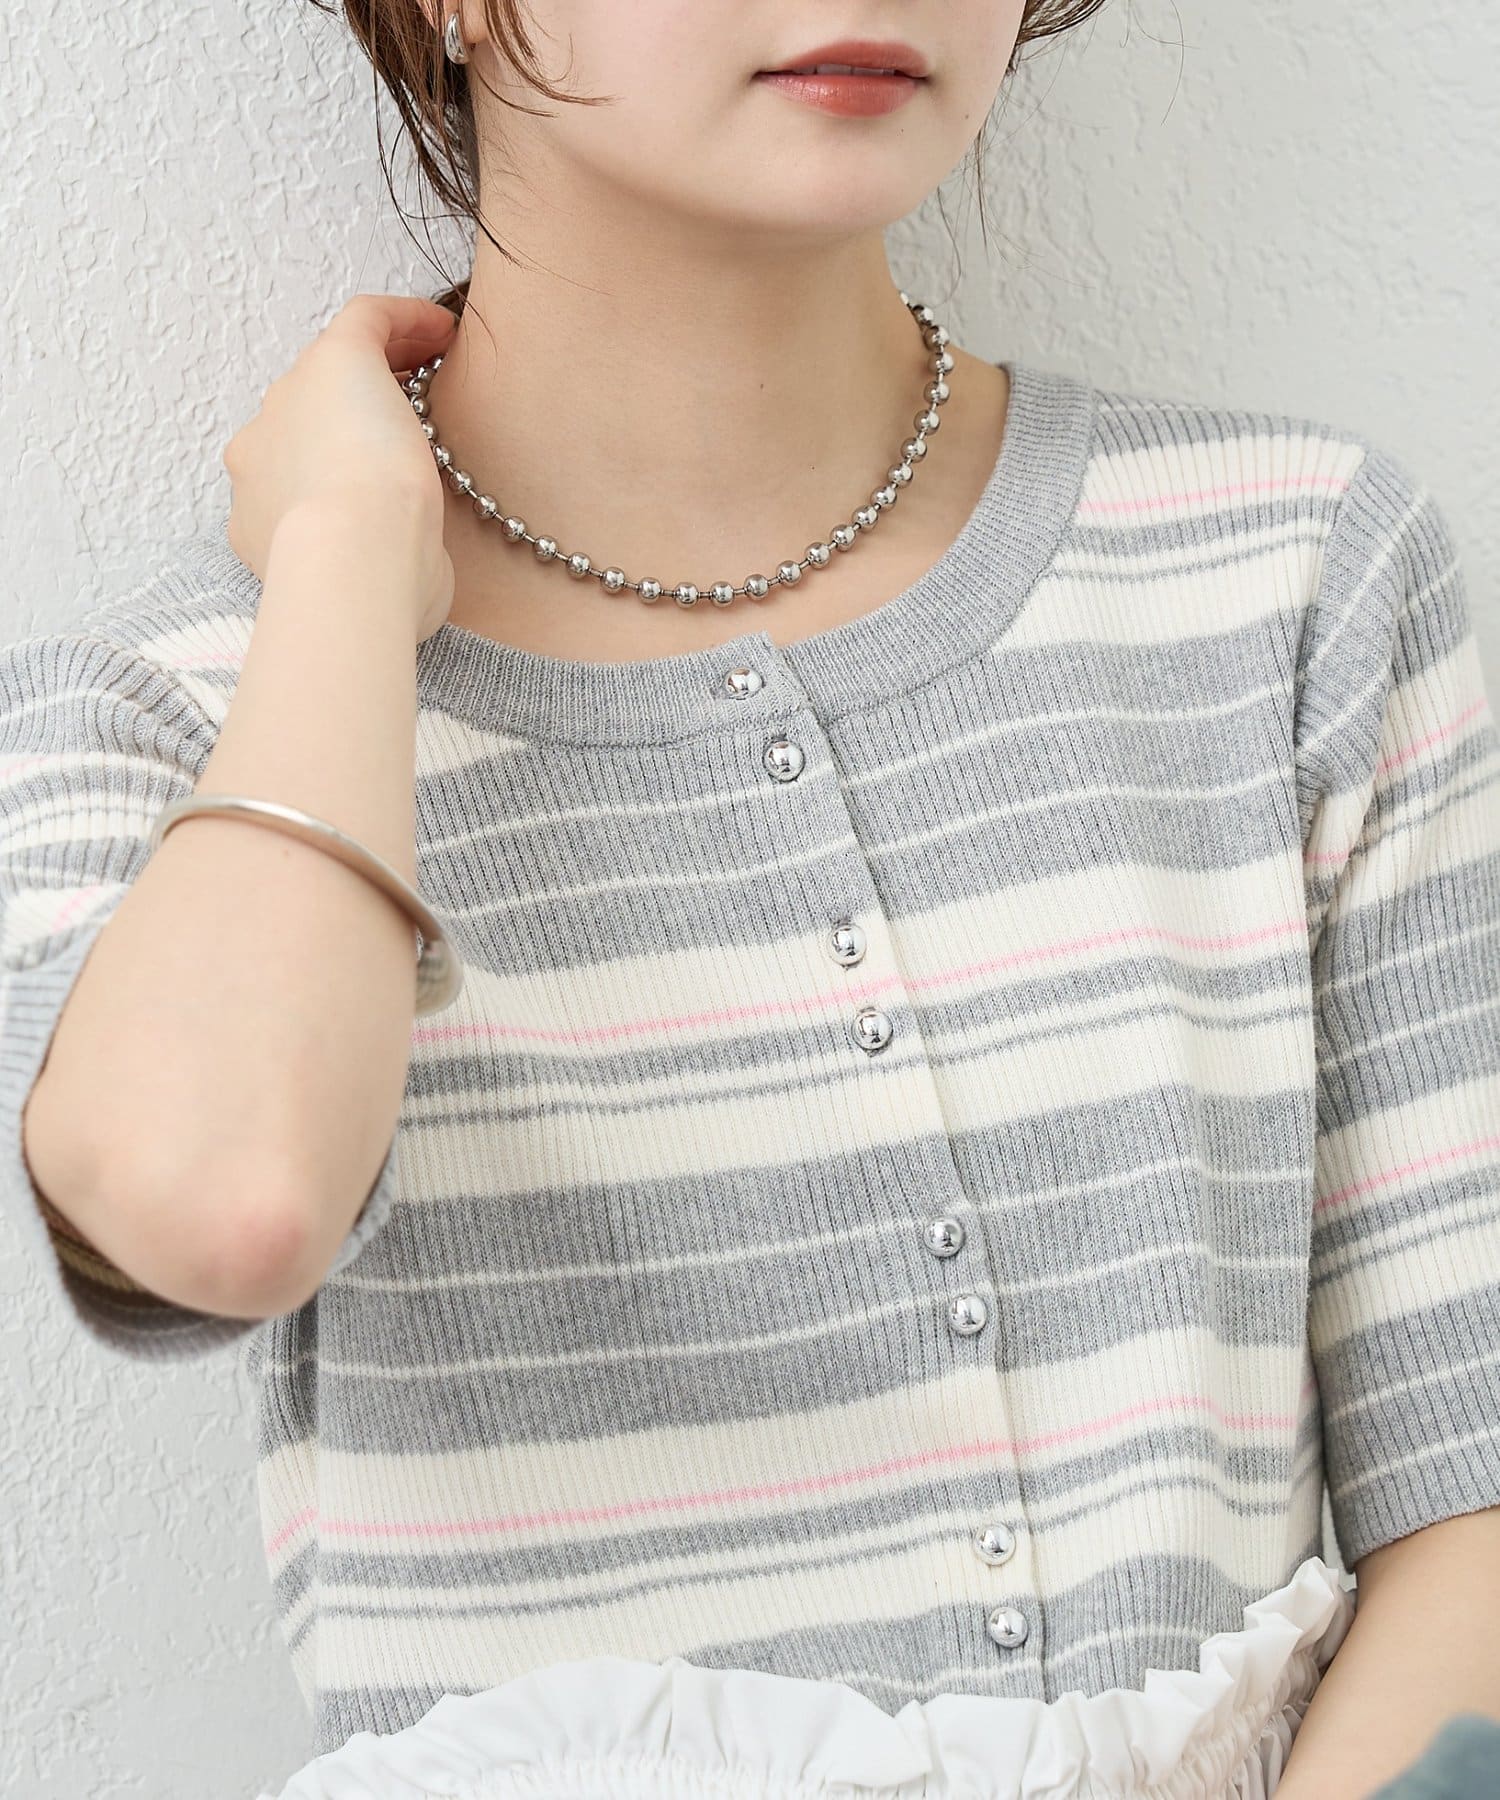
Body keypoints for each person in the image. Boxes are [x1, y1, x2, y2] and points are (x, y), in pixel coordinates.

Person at [2, 3, 1497, 1796]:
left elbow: (1470, 1500)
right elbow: (224, 1210)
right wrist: (341, 564)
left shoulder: (1293, 580)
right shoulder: (185, 718)